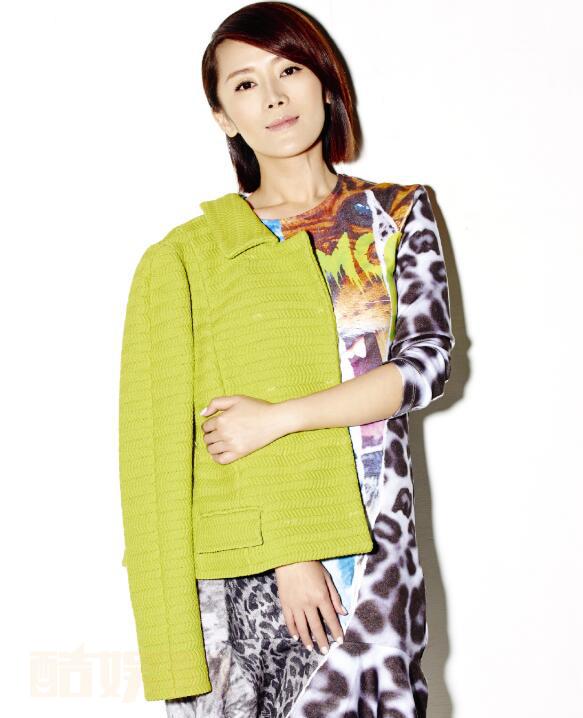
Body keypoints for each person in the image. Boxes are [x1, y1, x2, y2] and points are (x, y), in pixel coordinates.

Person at [121, 2, 455, 716]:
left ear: (325, 84)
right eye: (245, 84)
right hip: (258, 544)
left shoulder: (396, 213)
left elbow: (424, 365)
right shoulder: (201, 252)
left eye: (289, 70)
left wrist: (280, 418)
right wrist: (291, 550)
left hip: (375, 531)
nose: (272, 96)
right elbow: (205, 421)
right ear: (223, 116)